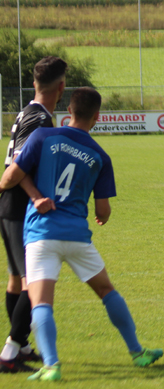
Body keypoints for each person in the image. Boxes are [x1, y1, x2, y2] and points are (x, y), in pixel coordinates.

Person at [0, 87, 162, 381]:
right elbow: (103, 211)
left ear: (69, 111)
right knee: (107, 291)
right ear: (97, 117)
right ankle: (137, 352)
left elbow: (11, 177)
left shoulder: (42, 136)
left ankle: (51, 366)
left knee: (41, 302)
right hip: (76, 236)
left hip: (41, 234)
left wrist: (28, 192)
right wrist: (100, 216)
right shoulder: (101, 155)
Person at [0, 57, 66, 374]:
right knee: (32, 282)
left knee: (17, 279)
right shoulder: (39, 119)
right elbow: (17, 166)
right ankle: (9, 352)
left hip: (10, 207)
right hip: (18, 207)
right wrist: (37, 196)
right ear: (61, 87)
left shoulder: (28, 112)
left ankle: (22, 346)